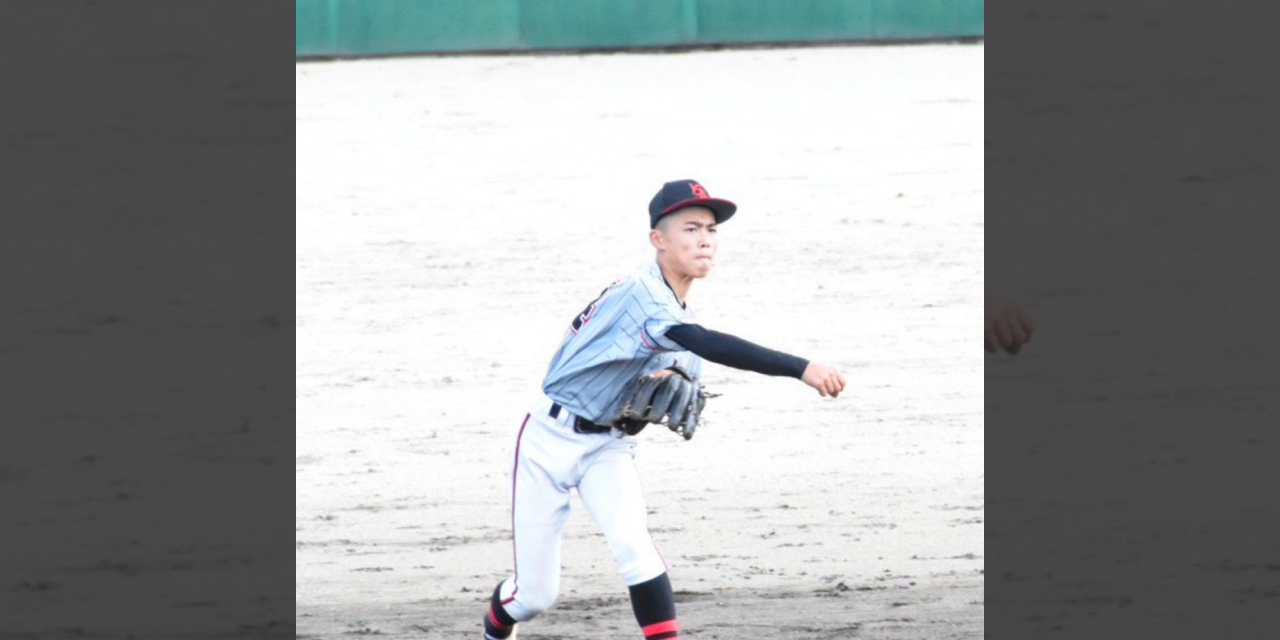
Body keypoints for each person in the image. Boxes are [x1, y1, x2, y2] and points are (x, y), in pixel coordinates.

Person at [481, 179, 847, 640]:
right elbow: (709, 343)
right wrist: (802, 368)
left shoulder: (675, 313)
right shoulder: (645, 295)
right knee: (535, 596)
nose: (705, 240)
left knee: (636, 548)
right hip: (546, 443)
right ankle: (496, 626)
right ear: (659, 240)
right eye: (691, 229)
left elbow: (672, 362)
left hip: (606, 446)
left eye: (711, 230)